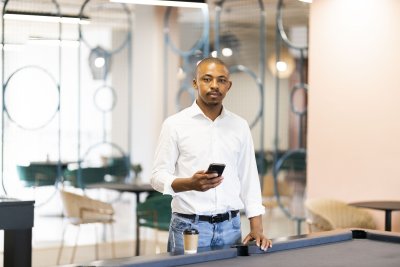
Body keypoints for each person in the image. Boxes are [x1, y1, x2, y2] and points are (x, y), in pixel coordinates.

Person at [151, 57, 272, 252]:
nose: (214, 85)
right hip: (188, 228)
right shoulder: (174, 125)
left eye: (221, 80)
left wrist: (257, 227)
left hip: (231, 227)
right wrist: (190, 184)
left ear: (229, 86)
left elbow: (249, 178)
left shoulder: (239, 126)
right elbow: (157, 177)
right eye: (207, 79)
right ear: (195, 83)